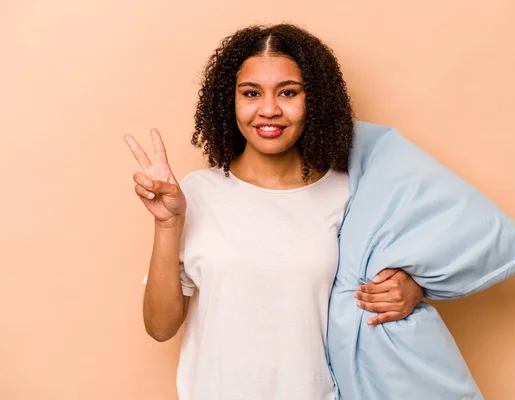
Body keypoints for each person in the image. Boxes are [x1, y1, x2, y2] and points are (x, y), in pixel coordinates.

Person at [124, 24, 424, 400]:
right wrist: (167, 224)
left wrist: (413, 289)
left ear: (314, 101)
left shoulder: (348, 193)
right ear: (228, 101)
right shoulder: (196, 193)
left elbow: (374, 288)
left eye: (288, 92)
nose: (269, 109)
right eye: (251, 93)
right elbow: (160, 327)